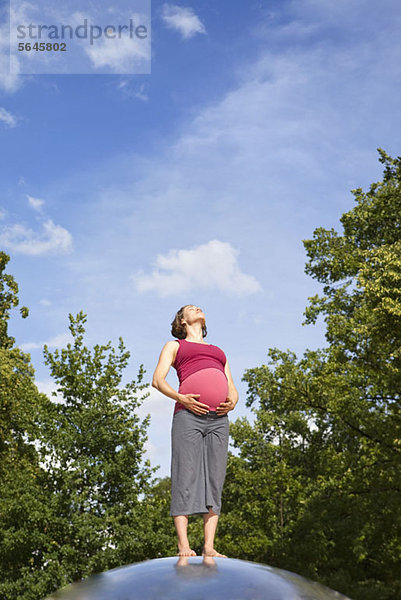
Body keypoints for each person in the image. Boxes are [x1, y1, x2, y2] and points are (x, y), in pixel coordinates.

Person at [152, 304, 238, 558]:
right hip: (188, 416)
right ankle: (184, 545)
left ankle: (209, 546)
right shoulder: (175, 346)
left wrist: (232, 401)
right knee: (185, 475)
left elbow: (232, 387)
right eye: (191, 308)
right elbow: (158, 380)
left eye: (198, 307)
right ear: (182, 321)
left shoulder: (218, 351)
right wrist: (182, 398)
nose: (197, 308)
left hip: (219, 420)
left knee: (215, 478)